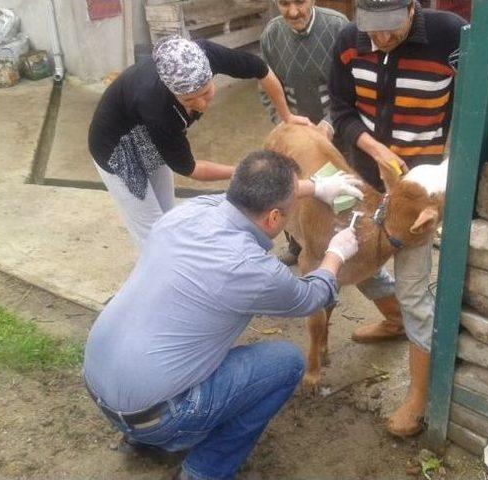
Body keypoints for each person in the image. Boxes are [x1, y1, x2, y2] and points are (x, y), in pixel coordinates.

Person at [83, 150, 361, 480]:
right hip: (160, 416)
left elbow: (242, 198)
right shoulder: (253, 270)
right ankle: (206, 470)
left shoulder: (186, 213)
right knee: (286, 362)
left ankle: (138, 440)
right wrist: (335, 253)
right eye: (289, 213)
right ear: (273, 219)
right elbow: (312, 297)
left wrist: (314, 188)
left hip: (97, 384)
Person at [329, 0, 466, 436]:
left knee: (414, 294)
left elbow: (471, 107)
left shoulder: (451, 37)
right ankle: (392, 322)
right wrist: (373, 148)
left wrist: (446, 170)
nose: (380, 40)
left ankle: (418, 397)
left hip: (414, 199)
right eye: (372, 29)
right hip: (365, 181)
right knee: (355, 266)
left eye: (390, 29)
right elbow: (342, 110)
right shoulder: (349, 41)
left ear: (413, 7)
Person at [89, 35, 310, 249]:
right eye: (189, 100)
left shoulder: (206, 55)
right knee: (153, 234)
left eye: (206, 92)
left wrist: (287, 116)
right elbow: (190, 168)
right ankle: (163, 277)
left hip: (148, 134)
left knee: (167, 216)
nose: (202, 105)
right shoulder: (156, 107)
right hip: (116, 151)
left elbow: (261, 70)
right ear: (172, 92)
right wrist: (241, 172)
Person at [260, 0, 349, 266]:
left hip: (336, 131)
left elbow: (351, 85)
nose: (293, 11)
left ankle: (340, 250)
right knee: (290, 190)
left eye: (300, 1)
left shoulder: (338, 27)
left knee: (339, 195)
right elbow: (267, 87)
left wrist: (329, 124)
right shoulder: (271, 34)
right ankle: (296, 244)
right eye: (284, 3)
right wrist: (284, 123)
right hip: (293, 136)